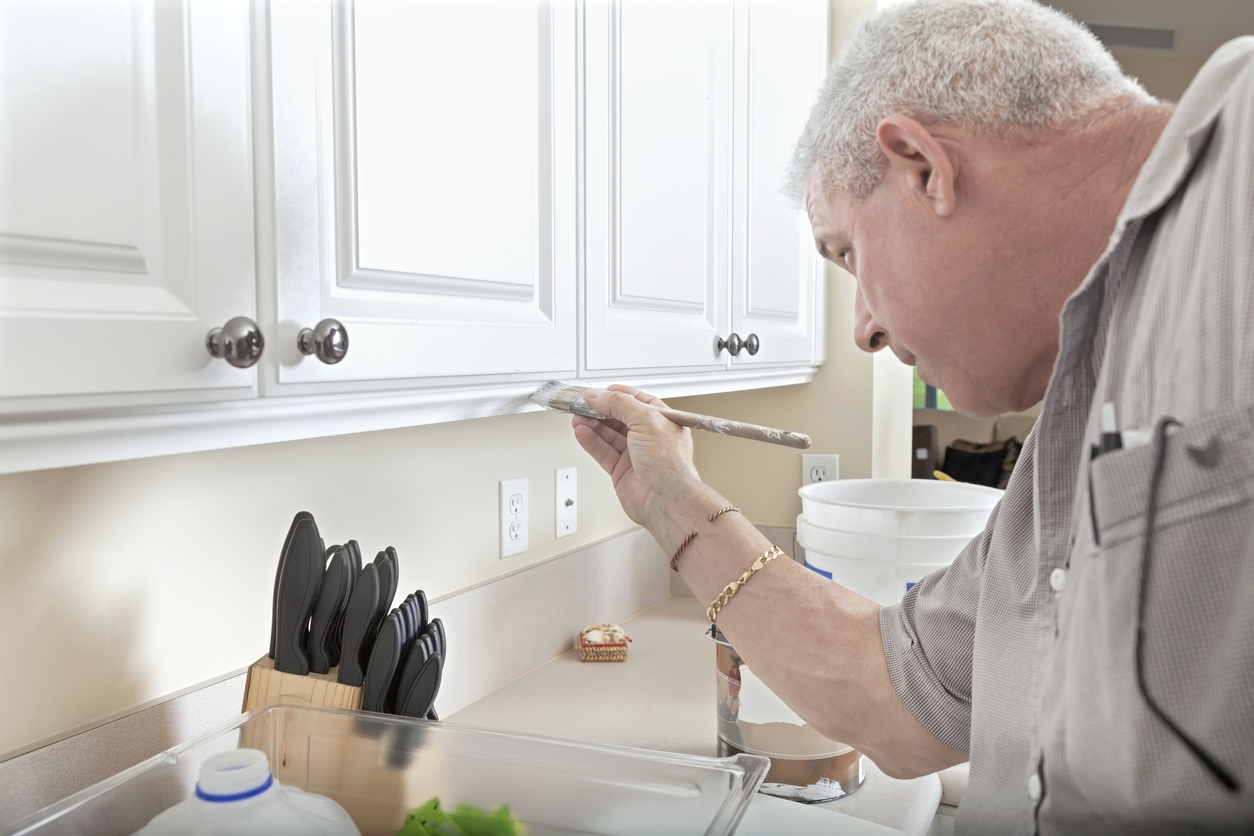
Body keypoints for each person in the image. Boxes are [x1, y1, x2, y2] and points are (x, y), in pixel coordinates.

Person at [569, 0, 1254, 832]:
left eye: (848, 253)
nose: (862, 327)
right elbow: (893, 694)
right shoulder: (1064, 443)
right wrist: (669, 499)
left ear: (922, 167)